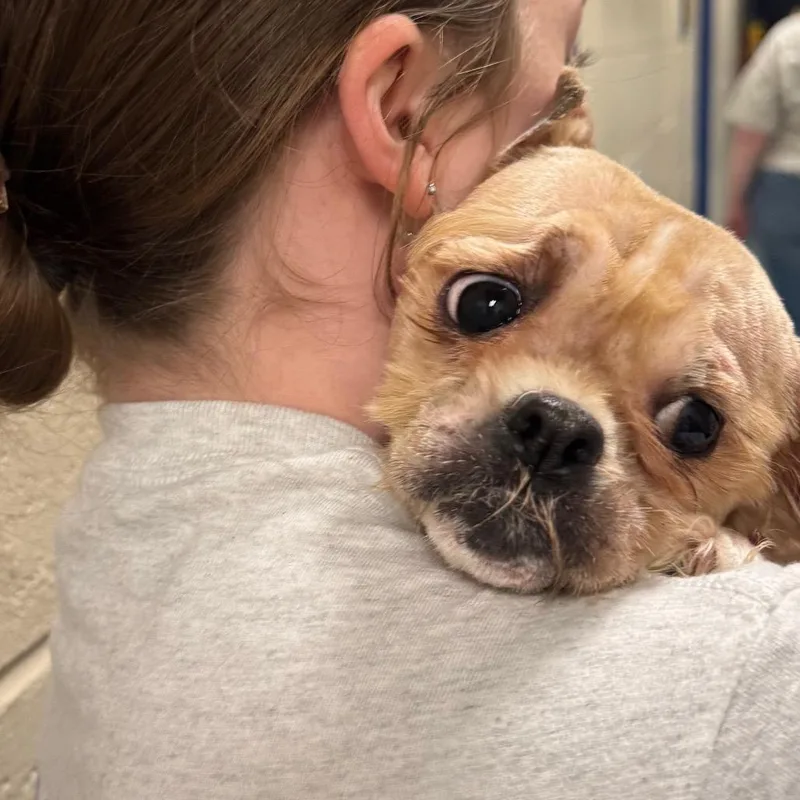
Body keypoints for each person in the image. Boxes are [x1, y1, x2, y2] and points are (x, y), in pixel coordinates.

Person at [0, 2, 798, 798]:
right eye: (487, 306)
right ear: (402, 108)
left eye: (687, 429)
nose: (554, 432)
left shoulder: (124, 525)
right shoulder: (755, 686)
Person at [726, 11, 800, 330]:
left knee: (786, 307)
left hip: (787, 193)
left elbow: (750, 133)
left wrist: (734, 202)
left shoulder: (787, 39)